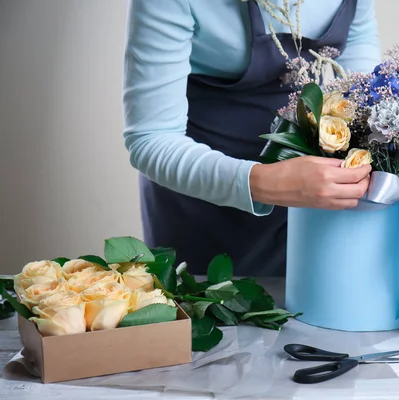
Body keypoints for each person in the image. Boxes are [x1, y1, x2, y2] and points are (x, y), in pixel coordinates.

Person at [122, 0, 381, 277]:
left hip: (312, 201)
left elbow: (362, 85)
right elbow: (152, 139)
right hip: (200, 199)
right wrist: (267, 183)